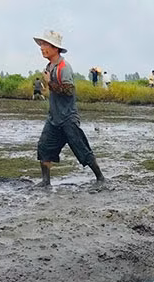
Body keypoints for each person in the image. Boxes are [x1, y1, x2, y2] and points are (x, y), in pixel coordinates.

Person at [33, 30, 105, 187]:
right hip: (54, 118)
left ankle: (100, 178)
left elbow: (69, 90)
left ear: (54, 48)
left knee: (81, 148)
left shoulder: (64, 67)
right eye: (41, 45)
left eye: (44, 44)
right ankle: (46, 181)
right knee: (44, 147)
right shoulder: (49, 66)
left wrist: (49, 82)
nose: (41, 48)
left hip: (68, 118)